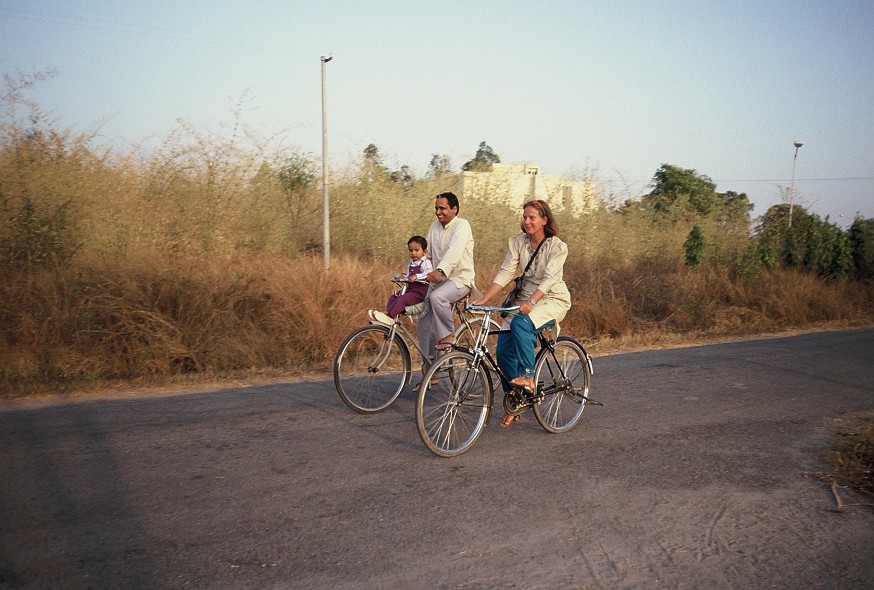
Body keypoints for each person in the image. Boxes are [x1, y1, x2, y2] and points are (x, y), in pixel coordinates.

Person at [472, 199, 571, 426]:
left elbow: (550, 279)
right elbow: (506, 272)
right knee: (504, 350)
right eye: (524, 217)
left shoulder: (557, 247)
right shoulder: (518, 243)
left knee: (520, 323)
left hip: (552, 298)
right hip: (525, 300)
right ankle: (517, 400)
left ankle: (529, 376)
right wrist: (485, 299)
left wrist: (533, 301)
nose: (526, 221)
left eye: (532, 217)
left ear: (544, 220)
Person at [414, 191, 476, 390]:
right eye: (436, 209)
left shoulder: (462, 225)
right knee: (423, 324)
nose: (438, 212)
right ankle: (431, 373)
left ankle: (449, 336)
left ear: (454, 209)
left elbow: (454, 252)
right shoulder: (434, 227)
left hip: (460, 279)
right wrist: (414, 270)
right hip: (440, 280)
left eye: (442, 208)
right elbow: (427, 253)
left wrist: (440, 270)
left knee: (438, 297)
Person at [373, 236, 433, 321]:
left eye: (416, 250)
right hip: (410, 290)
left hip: (419, 293)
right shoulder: (411, 262)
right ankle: (386, 312)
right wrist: (402, 277)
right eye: (411, 250)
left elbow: (428, 274)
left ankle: (391, 316)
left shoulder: (425, 262)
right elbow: (408, 276)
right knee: (394, 296)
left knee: (402, 299)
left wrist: (417, 276)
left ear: (424, 251)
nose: (413, 253)